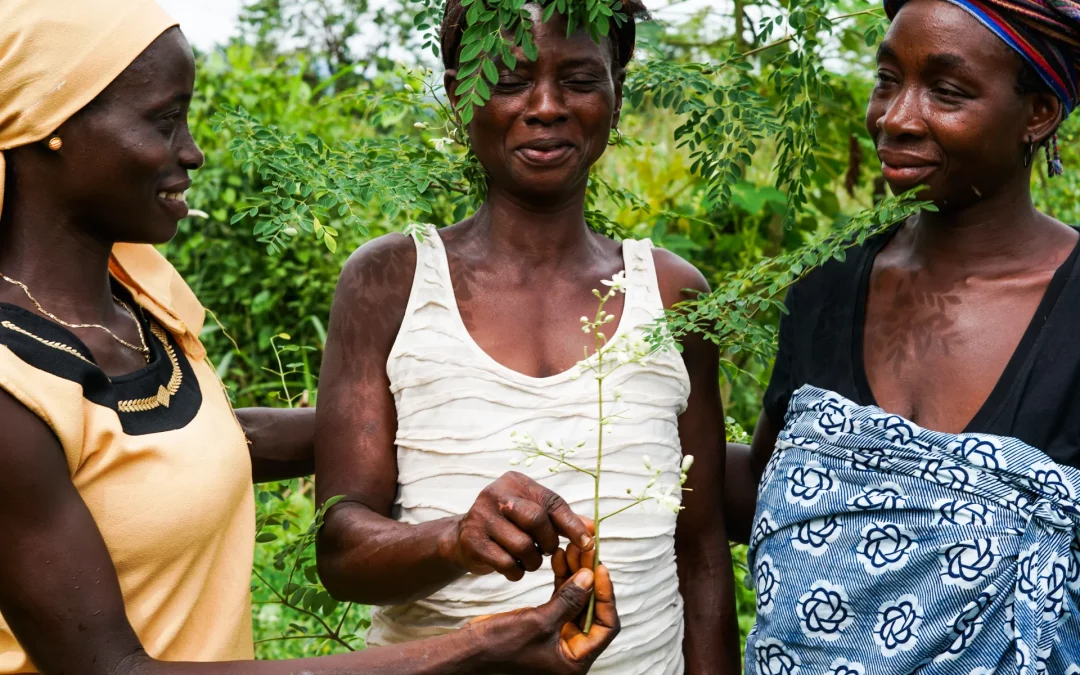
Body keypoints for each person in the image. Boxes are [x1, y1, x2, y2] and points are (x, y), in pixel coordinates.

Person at [0, 1, 620, 673]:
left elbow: (186, 450)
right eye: (163, 120)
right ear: (51, 129)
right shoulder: (12, 388)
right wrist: (474, 649)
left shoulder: (129, 311)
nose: (192, 150)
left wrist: (457, 398)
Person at [313, 1, 740, 673]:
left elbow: (702, 549)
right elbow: (340, 552)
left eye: (578, 78)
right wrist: (455, 540)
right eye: (509, 80)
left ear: (616, 89)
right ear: (460, 93)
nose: (546, 106)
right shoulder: (388, 283)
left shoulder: (673, 295)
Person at [725, 0, 1080, 672]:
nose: (896, 117)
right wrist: (627, 423)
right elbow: (764, 492)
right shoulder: (829, 282)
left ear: (1038, 114)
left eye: (946, 91)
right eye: (888, 80)